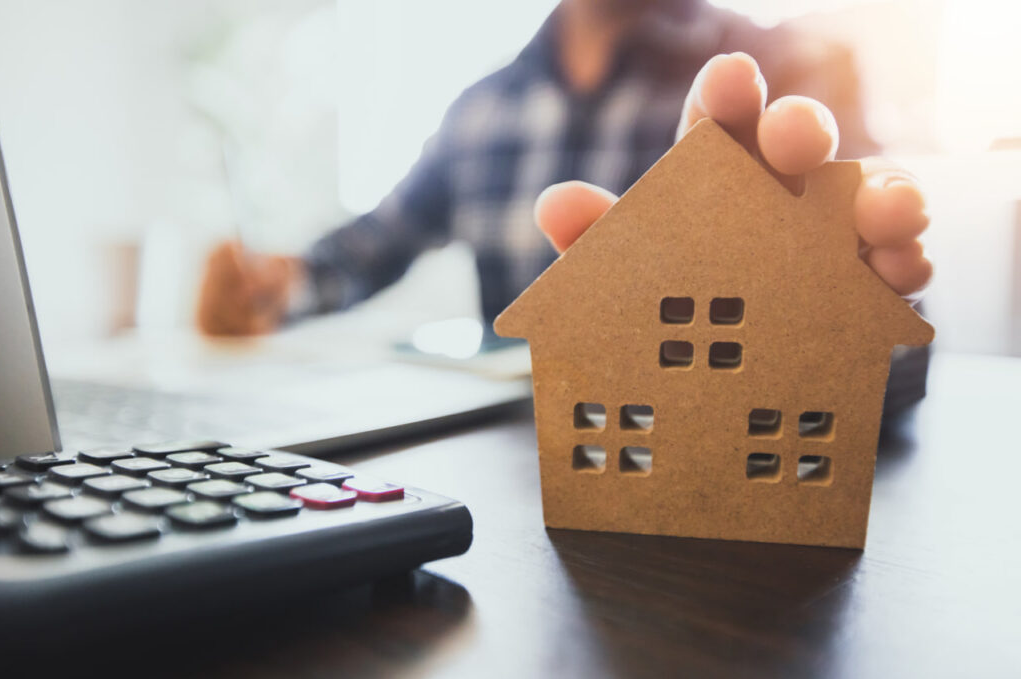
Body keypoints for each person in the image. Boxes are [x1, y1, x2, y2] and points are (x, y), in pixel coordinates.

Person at [197, 0, 931, 407]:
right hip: (531, 481)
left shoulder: (796, 71)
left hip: (747, 479)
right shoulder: (480, 111)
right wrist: (275, 288)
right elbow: (364, 252)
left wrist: (848, 325)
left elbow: (898, 326)